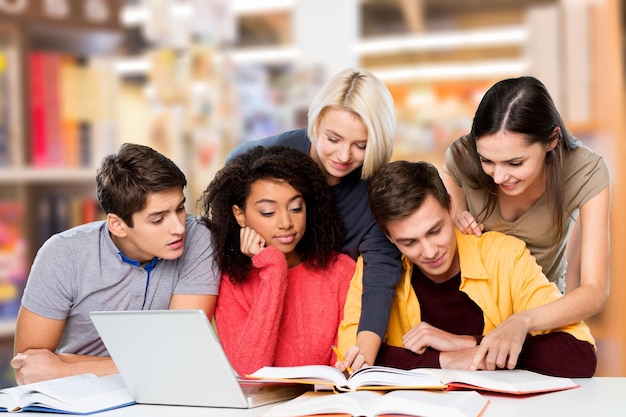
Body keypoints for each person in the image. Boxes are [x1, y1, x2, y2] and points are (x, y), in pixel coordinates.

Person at [337, 160, 596, 378]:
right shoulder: (375, 268)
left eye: (435, 231)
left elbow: (579, 355)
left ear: (451, 206)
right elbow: (354, 360)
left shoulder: (504, 255)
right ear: (389, 237)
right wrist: (448, 360)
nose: (429, 252)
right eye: (409, 242)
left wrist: (470, 344)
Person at [226, 68, 401, 369]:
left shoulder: (374, 192)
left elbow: (381, 274)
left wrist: (365, 349)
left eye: (361, 145)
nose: (344, 156)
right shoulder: (267, 155)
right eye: (333, 138)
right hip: (262, 303)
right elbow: (231, 188)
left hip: (327, 320)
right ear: (316, 121)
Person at [11, 143, 219, 385]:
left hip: (163, 392)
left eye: (180, 208)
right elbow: (27, 368)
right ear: (117, 225)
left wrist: (63, 368)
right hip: (78, 395)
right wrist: (151, 365)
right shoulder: (63, 254)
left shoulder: (200, 238)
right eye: (158, 219)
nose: (179, 228)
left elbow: (181, 355)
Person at [442, 76, 610, 371]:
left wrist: (522, 322)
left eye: (515, 163)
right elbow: (446, 184)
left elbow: (595, 289)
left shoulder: (586, 170)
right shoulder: (462, 156)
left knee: (575, 359)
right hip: (471, 309)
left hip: (538, 314)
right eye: (487, 161)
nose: (497, 177)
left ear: (552, 140)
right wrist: (455, 211)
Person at [200, 146, 356, 376]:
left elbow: (341, 371)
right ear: (239, 215)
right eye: (268, 212)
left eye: (296, 208)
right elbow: (250, 369)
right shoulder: (230, 280)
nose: (286, 222)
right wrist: (273, 269)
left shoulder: (340, 270)